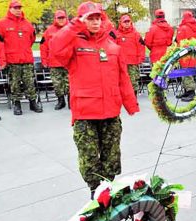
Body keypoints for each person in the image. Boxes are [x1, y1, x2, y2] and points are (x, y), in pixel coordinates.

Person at [51, 2, 140, 199]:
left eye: (98, 18)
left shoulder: (113, 47)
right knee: (89, 159)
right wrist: (75, 25)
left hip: (111, 113)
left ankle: (108, 191)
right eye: (90, 18)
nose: (95, 22)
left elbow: (123, 78)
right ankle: (95, 191)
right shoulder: (73, 45)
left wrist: (131, 105)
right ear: (82, 20)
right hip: (85, 114)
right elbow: (55, 48)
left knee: (111, 158)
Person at [0, 0, 42, 115]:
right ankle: (17, 104)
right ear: (10, 9)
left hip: (26, 59)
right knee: (15, 84)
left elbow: (31, 39)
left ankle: (33, 103)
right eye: (15, 8)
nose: (18, 10)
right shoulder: (2, 24)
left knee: (30, 82)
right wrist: (3, 59)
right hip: (12, 61)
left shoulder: (27, 23)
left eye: (19, 8)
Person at [40, 10, 69, 110]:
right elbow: (43, 46)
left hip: (69, 62)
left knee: (70, 83)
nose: (61, 20)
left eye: (63, 18)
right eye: (59, 18)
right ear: (55, 19)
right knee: (57, 84)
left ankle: (71, 101)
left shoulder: (71, 29)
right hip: (54, 62)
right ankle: (61, 101)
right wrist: (44, 60)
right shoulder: (49, 31)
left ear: (66, 18)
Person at [115, 14, 145, 95]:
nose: (127, 23)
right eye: (125, 22)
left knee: (133, 82)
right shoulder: (117, 34)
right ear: (121, 23)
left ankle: (134, 98)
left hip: (133, 63)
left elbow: (141, 46)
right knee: (121, 81)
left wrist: (141, 58)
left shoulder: (136, 34)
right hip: (121, 63)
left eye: (128, 21)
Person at [175, 10, 196, 102]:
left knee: (186, 73)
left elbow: (179, 40)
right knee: (188, 72)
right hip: (193, 53)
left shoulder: (183, 28)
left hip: (185, 53)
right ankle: (187, 91)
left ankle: (190, 92)